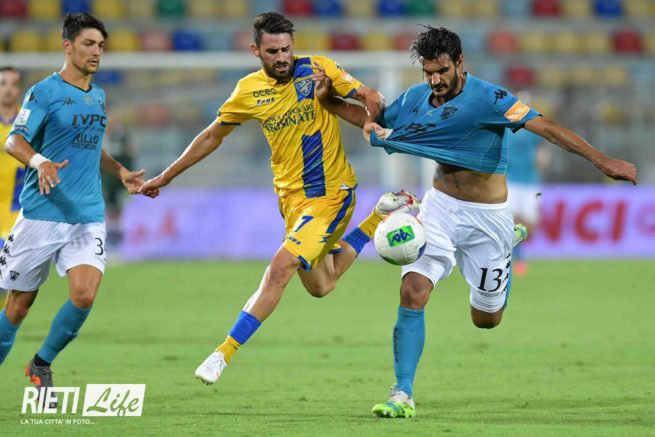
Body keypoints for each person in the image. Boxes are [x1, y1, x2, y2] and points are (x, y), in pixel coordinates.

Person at [315, 26, 637, 418]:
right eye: (429, 72)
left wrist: (603, 161)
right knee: (413, 290)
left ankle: (507, 246)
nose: (435, 80)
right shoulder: (417, 98)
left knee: (486, 320)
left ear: (460, 62)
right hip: (439, 209)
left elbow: (548, 128)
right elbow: (376, 119)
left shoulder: (490, 98)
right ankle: (402, 392)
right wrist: (328, 100)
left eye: (442, 71)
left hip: (488, 219)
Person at [138, 12, 417, 386]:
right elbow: (211, 136)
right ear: (256, 50)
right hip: (290, 201)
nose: (282, 57)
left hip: (331, 195)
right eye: (273, 51)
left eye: (286, 49)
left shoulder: (318, 69)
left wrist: (370, 118)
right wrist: (166, 176)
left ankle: (222, 353)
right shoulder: (248, 90)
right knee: (321, 285)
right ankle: (377, 217)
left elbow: (372, 96)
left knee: (280, 267)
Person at [0, 13, 155, 402]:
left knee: (84, 295)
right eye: (88, 44)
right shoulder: (43, 93)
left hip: (87, 214)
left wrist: (120, 171)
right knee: (18, 306)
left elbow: (91, 147)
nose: (96, 52)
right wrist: (40, 162)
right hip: (42, 213)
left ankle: (41, 363)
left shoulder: (98, 96)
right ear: (67, 46)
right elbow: (14, 141)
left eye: (101, 45)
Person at [504, 108, 550, 276]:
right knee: (511, 220)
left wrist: (543, 157)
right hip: (510, 180)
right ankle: (518, 258)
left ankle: (515, 251)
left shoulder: (533, 129)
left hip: (530, 181)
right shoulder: (504, 128)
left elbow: (542, 148)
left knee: (530, 225)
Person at [0, 67, 24, 309]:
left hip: (16, 213)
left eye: (13, 83)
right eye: (3, 83)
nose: (8, 89)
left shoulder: (28, 123)